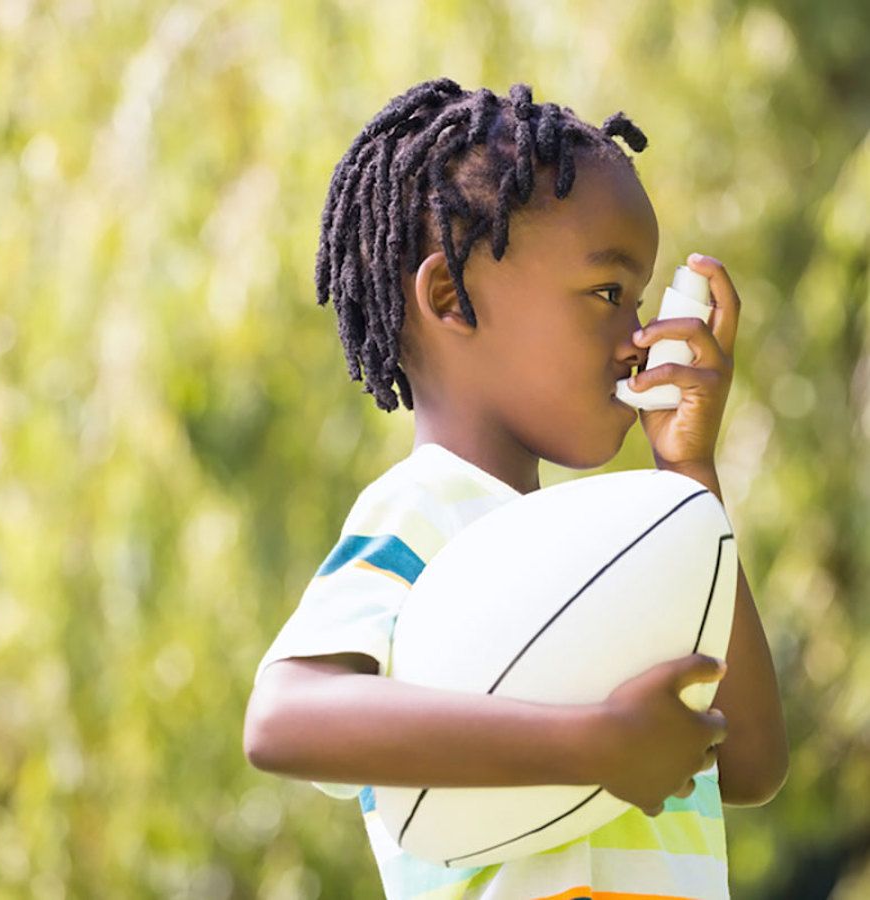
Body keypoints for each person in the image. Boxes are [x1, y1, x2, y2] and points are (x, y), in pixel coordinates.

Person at [243, 79, 788, 900]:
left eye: (639, 304)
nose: (637, 340)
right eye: (608, 295)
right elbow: (283, 719)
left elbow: (750, 763)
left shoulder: (629, 550)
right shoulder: (422, 511)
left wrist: (689, 479)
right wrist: (591, 747)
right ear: (451, 297)